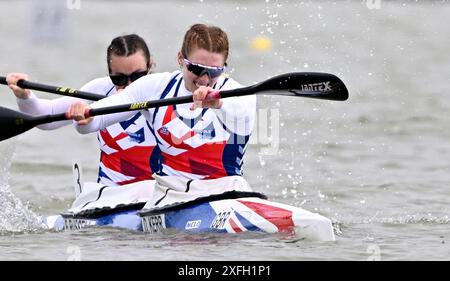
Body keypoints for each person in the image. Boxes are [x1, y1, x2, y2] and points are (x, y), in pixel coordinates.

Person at [67, 24, 256, 182]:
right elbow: (96, 121)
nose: (205, 79)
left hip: (229, 195)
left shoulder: (242, 95)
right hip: (172, 200)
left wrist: (217, 104)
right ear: (181, 59)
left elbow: (243, 114)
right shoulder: (155, 87)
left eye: (214, 71)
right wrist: (85, 116)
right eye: (197, 69)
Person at [6, 34, 160, 186]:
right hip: (113, 193)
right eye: (119, 79)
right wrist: (24, 95)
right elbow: (48, 118)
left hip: (159, 192)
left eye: (137, 76)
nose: (129, 85)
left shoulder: (165, 91)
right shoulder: (101, 88)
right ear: (109, 71)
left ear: (150, 65)